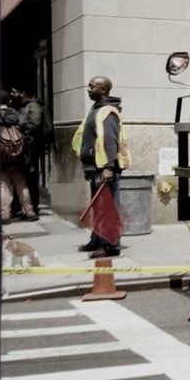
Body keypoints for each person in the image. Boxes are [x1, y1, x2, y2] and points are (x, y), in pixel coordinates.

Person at [71, 76, 129, 256]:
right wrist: (89, 168)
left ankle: (111, 246)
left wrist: (109, 167)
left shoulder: (107, 112)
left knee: (108, 208)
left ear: (103, 90)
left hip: (106, 168)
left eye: (92, 86)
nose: (88, 89)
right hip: (96, 167)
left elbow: (110, 141)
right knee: (98, 207)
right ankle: (96, 240)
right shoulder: (96, 109)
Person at [10, 85, 52, 215]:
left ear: (22, 93)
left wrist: (18, 126)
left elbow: (34, 124)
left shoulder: (33, 106)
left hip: (30, 147)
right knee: (21, 176)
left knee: (31, 176)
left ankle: (33, 205)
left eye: (14, 91)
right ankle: (21, 205)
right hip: (24, 146)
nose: (12, 93)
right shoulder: (20, 105)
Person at [0, 90, 35, 223]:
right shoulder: (17, 114)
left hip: (1, 157)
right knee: (22, 185)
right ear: (9, 101)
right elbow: (26, 129)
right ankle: (30, 213)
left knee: (3, 186)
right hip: (18, 156)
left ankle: (5, 216)